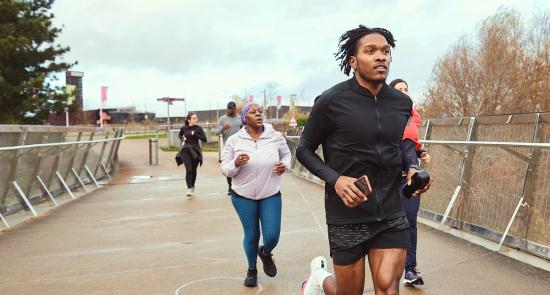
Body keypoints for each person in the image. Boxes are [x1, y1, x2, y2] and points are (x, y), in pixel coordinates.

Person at [297, 25, 424, 295]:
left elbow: (395, 147)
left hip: (390, 210)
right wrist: (336, 180)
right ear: (353, 61)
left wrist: (411, 168)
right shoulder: (331, 101)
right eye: (371, 51)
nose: (381, 57)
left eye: (386, 52)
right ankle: (319, 279)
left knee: (388, 287)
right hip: (347, 213)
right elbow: (304, 149)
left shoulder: (402, 103)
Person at [221, 102, 291, 288]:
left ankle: (265, 253)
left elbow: (287, 155)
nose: (259, 114)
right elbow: (225, 169)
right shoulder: (234, 140)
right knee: (251, 235)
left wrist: (285, 166)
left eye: (260, 111)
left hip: (270, 193)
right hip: (243, 196)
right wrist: (235, 163)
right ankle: (252, 269)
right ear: (245, 118)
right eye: (253, 112)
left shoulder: (275, 136)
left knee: (272, 236)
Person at [389, 78, 431, 286]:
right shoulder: (384, 115)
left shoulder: (413, 117)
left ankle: (410, 269)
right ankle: (391, 266)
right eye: (399, 90)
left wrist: (421, 151)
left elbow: (412, 143)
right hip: (389, 178)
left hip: (410, 178)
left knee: (410, 222)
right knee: (391, 224)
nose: (404, 92)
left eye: (407, 89)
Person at [178, 112, 207, 198]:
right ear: (189, 120)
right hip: (186, 149)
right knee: (189, 169)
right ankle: (189, 188)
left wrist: (196, 134)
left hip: (195, 150)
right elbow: (180, 135)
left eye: (196, 118)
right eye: (194, 118)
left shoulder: (198, 128)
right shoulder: (184, 128)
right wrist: (182, 138)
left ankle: (192, 185)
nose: (196, 119)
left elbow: (204, 139)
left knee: (194, 170)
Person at [217, 101, 242, 195]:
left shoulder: (240, 118)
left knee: (239, 165)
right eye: (228, 108)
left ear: (235, 109)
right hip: (228, 147)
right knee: (229, 166)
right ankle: (230, 187)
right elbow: (217, 132)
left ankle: (237, 185)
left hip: (240, 146)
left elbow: (245, 129)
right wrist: (223, 128)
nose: (230, 110)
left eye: (231, 108)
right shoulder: (222, 119)